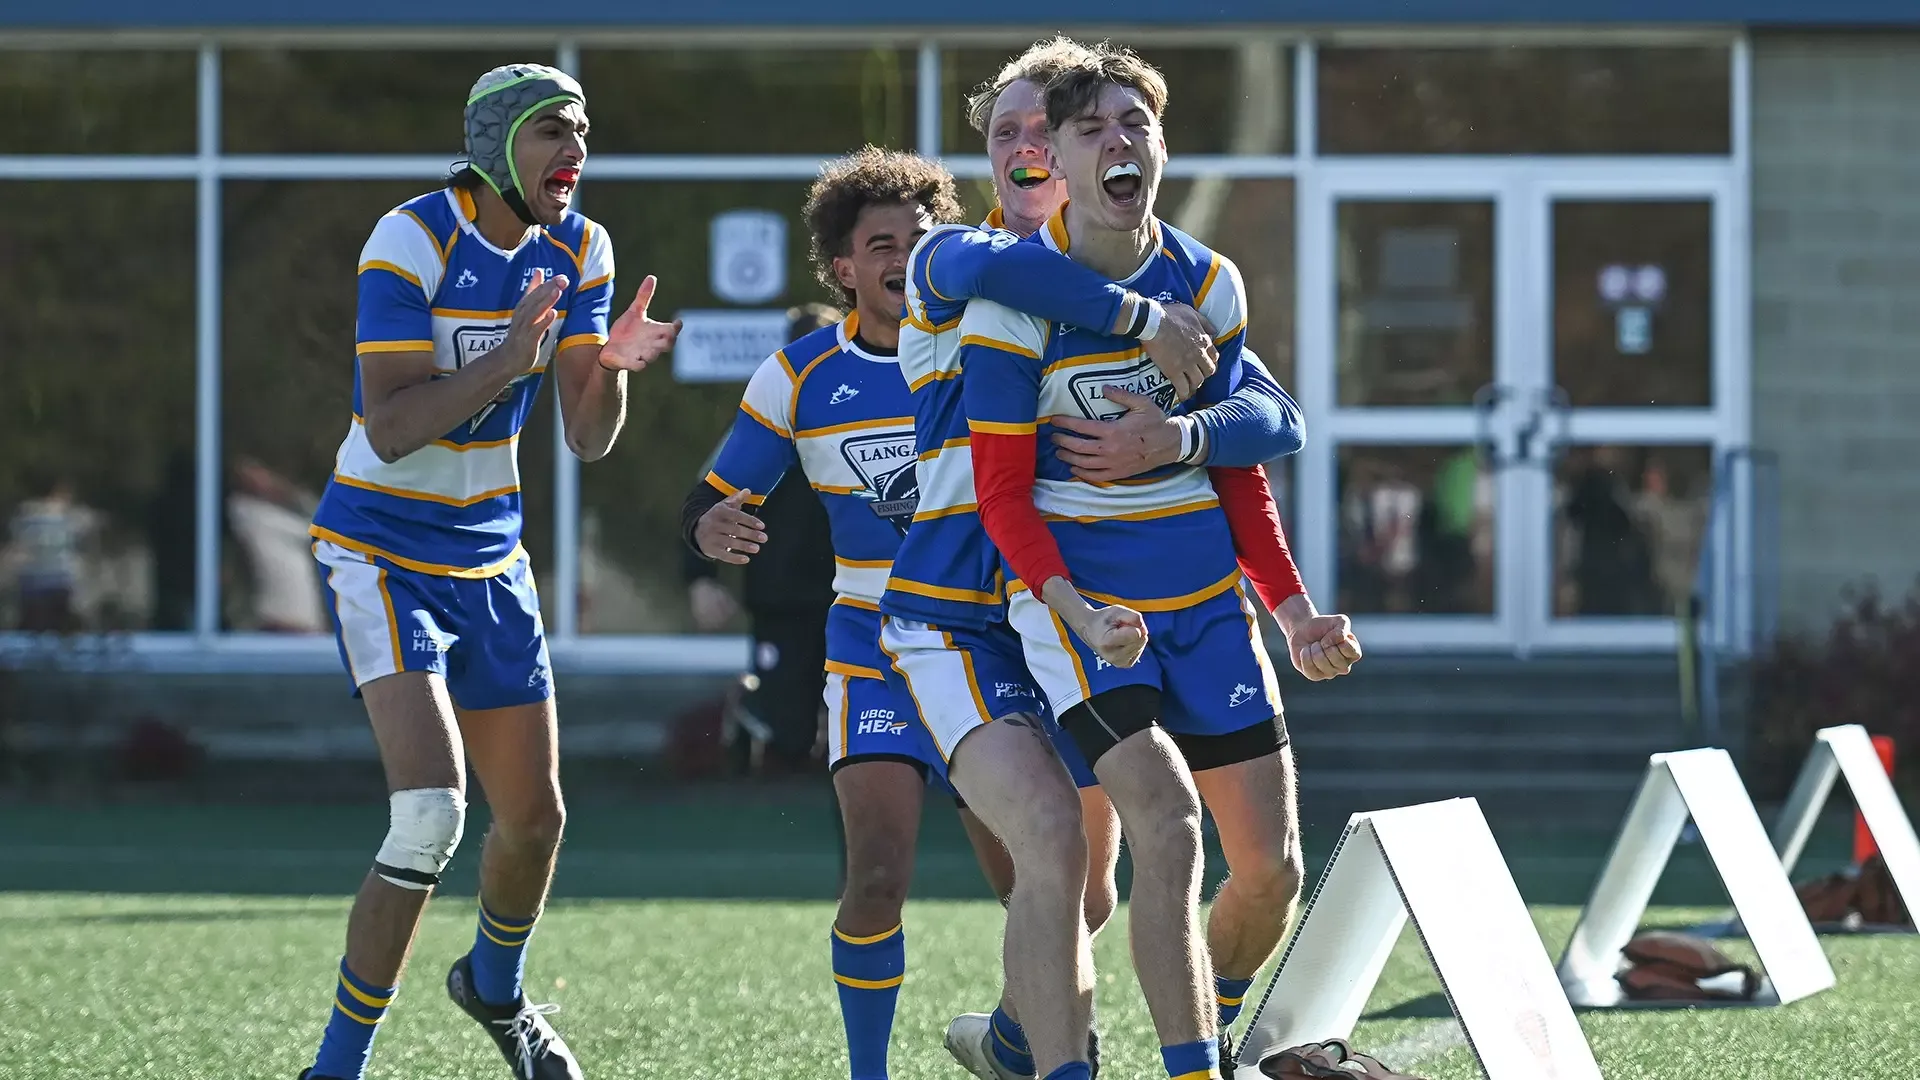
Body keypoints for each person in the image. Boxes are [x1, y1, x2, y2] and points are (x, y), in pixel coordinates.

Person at [892, 38, 1335, 1080]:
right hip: (984, 605)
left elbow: (1268, 421)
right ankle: (1110, 1059)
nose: (1032, 145)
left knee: (1225, 868)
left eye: (1055, 125)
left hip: (1093, 599)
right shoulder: (965, 266)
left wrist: (1176, 438)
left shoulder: (1195, 276)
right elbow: (1013, 278)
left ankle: (1063, 1040)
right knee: (1080, 860)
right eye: (1013, 130)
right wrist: (1147, 321)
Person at [300, 63, 680, 1080]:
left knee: (537, 818)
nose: (576, 150)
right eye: (553, 130)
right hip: (378, 546)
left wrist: (613, 370)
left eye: (584, 131)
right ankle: (337, 1065)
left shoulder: (583, 246)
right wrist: (504, 362)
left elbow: (587, 438)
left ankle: (495, 990)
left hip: (487, 555)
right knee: (430, 814)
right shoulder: (411, 236)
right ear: (495, 142)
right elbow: (386, 429)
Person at [682, 304, 842, 776]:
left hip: (858, 593)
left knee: (865, 726)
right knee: (789, 732)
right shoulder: (766, 420)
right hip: (782, 595)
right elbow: (708, 502)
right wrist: (700, 578)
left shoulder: (871, 411)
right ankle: (753, 703)